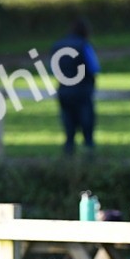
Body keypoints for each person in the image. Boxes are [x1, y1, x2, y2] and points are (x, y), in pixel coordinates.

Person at [51, 17, 101, 157]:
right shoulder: (83, 45)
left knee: (69, 128)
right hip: (83, 92)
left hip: (64, 92)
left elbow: (53, 68)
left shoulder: (57, 45)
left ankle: (68, 158)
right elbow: (94, 67)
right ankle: (89, 157)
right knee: (87, 127)